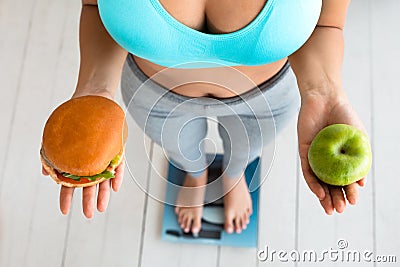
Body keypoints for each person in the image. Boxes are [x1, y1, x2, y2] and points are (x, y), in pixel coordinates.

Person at [41, 0, 366, 235]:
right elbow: (96, 7)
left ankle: (232, 177)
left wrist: (325, 92)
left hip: (264, 99)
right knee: (184, 154)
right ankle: (196, 178)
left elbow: (326, 23)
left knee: (244, 154)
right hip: (156, 96)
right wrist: (94, 90)